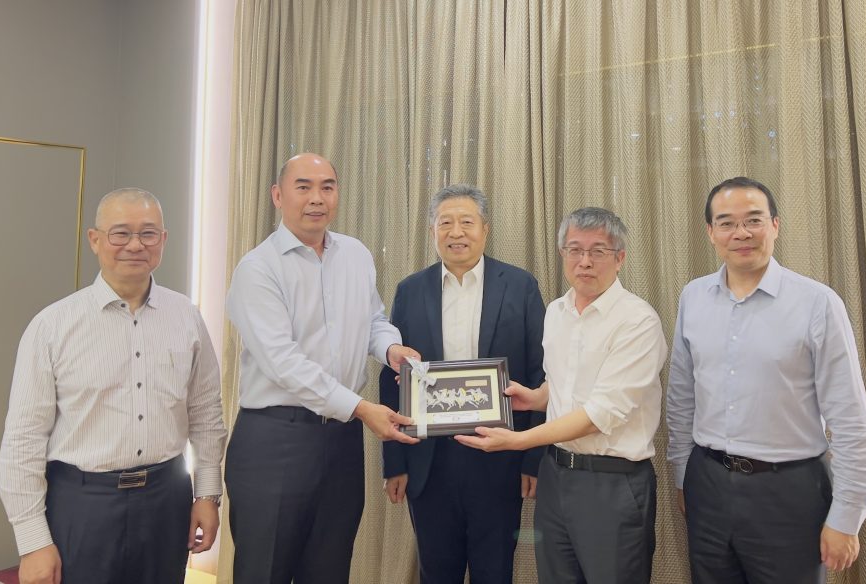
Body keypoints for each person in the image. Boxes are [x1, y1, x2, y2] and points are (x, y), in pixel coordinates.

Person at [0, 188, 227, 584]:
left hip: (166, 498)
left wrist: (207, 494)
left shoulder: (187, 317)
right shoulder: (52, 326)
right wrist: (32, 541)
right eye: (121, 233)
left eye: (148, 233)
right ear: (95, 239)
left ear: (163, 239)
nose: (135, 245)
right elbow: (23, 439)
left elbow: (206, 413)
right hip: (83, 503)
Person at [665, 176, 866, 584]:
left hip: (789, 491)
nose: (741, 233)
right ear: (710, 232)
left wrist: (847, 517)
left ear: (775, 225)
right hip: (707, 482)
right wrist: (682, 477)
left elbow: (849, 418)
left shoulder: (817, 303)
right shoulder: (693, 297)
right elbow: (681, 397)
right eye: (726, 223)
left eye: (753, 220)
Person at [224, 152, 420, 583]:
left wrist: (390, 349)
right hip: (275, 440)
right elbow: (283, 362)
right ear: (278, 196)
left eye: (327, 187)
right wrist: (362, 408)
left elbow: (373, 319)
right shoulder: (258, 269)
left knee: (329, 569)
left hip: (341, 441)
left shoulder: (355, 254)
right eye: (304, 187)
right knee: (264, 570)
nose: (317, 198)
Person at [457, 207, 667, 584]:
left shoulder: (638, 321)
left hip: (612, 483)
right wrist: (534, 398)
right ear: (562, 254)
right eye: (574, 250)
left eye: (598, 251)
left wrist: (519, 440)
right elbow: (565, 385)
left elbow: (601, 412)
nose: (584, 261)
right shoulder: (556, 311)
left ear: (620, 258)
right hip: (555, 478)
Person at [379, 184, 546, 584]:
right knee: (436, 571)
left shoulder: (519, 285)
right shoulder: (410, 290)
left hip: (500, 457)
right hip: (429, 461)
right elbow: (391, 376)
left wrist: (533, 458)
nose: (457, 232)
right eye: (446, 223)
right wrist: (394, 461)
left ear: (485, 229)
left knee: (495, 571)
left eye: (467, 222)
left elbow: (540, 372)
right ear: (432, 231)